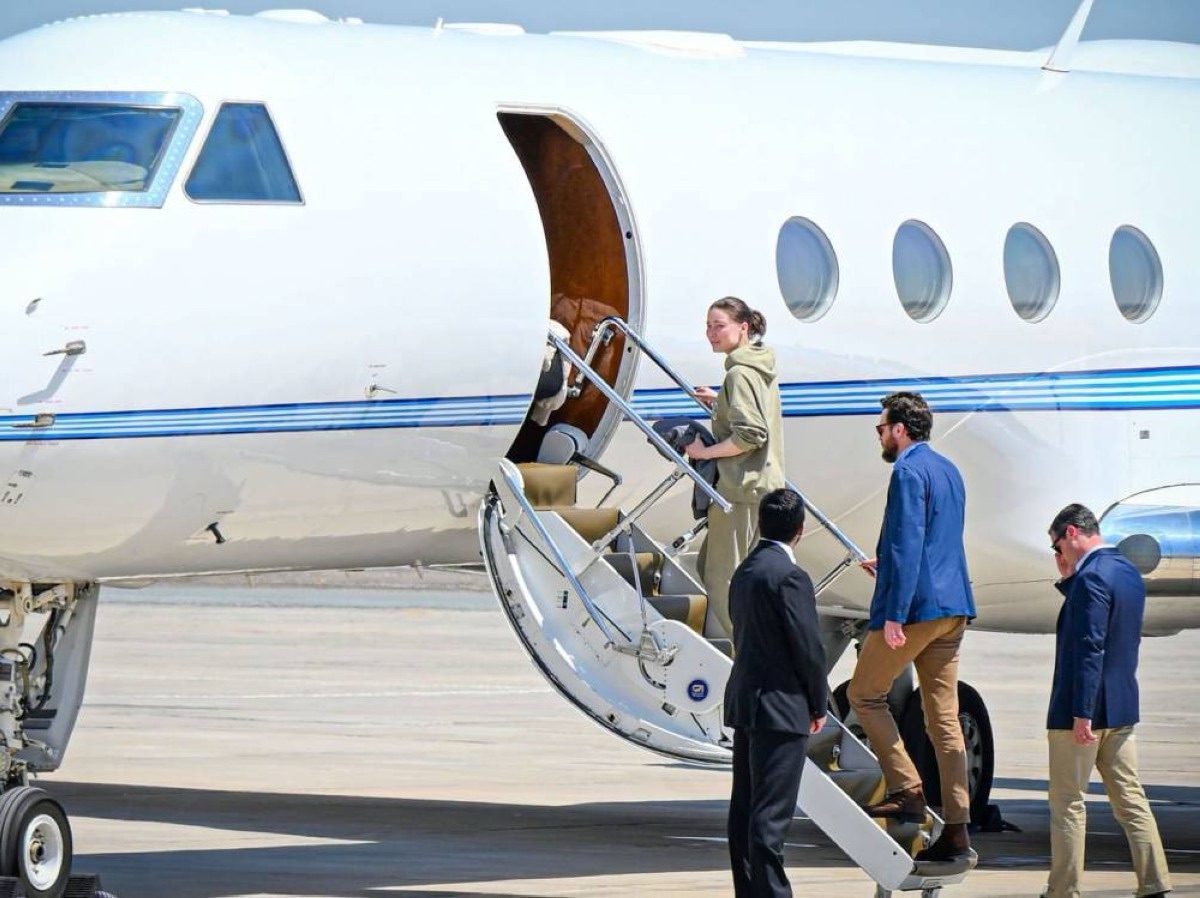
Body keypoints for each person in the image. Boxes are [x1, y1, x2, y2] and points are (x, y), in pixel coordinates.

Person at [847, 391, 976, 863]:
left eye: (881, 428)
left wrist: (895, 613)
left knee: (865, 694)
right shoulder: (949, 469)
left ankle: (907, 789)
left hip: (916, 609)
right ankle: (958, 829)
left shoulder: (906, 471)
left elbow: (907, 542)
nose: (880, 436)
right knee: (943, 720)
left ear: (899, 429)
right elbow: (936, 539)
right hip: (953, 607)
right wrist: (889, 565)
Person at [1042, 504, 1171, 898]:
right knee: (1130, 799)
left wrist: (1082, 713)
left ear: (1071, 533)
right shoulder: (1126, 571)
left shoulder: (1091, 578)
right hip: (1121, 706)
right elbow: (1109, 628)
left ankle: (1063, 890)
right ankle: (1155, 883)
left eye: (1056, 547)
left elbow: (1090, 646)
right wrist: (1070, 580)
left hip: (1081, 712)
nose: (1058, 555)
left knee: (1068, 803)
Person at [725, 488, 827, 898]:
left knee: (745, 814)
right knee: (770, 820)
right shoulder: (790, 577)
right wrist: (818, 703)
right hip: (782, 709)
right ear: (800, 529)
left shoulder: (745, 571)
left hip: (747, 704)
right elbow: (809, 647)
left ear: (761, 523)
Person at [684, 297, 785, 639]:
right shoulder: (759, 366)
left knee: (722, 579)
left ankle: (752, 651)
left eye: (719, 325)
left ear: (743, 327)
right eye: (708, 326)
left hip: (741, 490)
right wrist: (721, 401)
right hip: (762, 487)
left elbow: (751, 435)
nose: (711, 333)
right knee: (724, 571)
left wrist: (705, 452)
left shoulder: (739, 373)